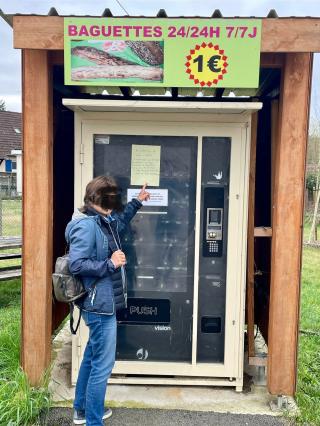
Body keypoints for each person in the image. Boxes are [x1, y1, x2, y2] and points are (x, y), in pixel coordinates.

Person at [65, 176, 150, 426]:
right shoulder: (87, 225)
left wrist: (137, 202)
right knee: (102, 365)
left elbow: (120, 225)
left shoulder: (102, 220)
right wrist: (110, 263)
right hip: (99, 304)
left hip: (104, 301)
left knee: (92, 357)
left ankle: (82, 411)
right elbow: (76, 264)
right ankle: (93, 420)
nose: (114, 206)